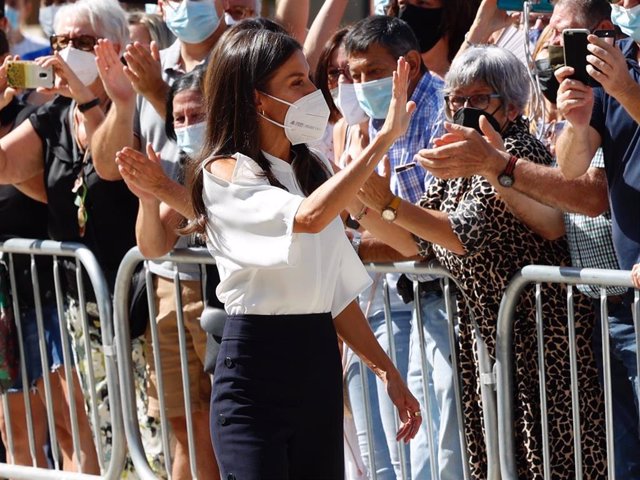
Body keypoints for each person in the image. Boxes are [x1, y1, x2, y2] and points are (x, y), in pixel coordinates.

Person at [356, 44, 607, 478]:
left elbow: (461, 233)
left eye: (478, 99)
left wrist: (390, 203)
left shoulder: (518, 151)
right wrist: (364, 203)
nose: (464, 109)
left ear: (510, 105)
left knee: (549, 463)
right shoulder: (461, 159)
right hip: (486, 347)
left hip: (543, 346)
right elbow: (418, 241)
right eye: (457, 100)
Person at [183, 28, 421, 479]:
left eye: (309, 78)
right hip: (255, 372)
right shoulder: (224, 172)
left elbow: (333, 293)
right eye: (297, 82)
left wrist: (386, 371)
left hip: (316, 369)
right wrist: (383, 140)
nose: (314, 92)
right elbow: (308, 217)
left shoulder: (310, 168)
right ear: (256, 99)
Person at [0, 0, 166, 476]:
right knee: (105, 433)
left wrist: (94, 99)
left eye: (83, 42)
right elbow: (6, 166)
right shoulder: (53, 114)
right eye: (60, 42)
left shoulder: (133, 101)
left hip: (139, 300)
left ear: (112, 47)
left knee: (153, 432)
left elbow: (110, 162)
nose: (67, 51)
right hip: (81, 308)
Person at [345, 15, 463, 480]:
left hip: (455, 296)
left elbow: (436, 233)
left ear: (410, 64)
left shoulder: (443, 111)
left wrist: (368, 218)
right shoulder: (376, 122)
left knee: (446, 446)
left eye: (372, 71)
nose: (361, 84)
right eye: (353, 75)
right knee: (417, 448)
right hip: (415, 294)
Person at [115, 64, 219, 480]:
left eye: (197, 115)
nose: (188, 124)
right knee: (183, 426)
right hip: (169, 297)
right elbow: (153, 244)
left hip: (218, 303)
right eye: (179, 118)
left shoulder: (236, 161)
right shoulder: (176, 164)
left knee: (216, 423)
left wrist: (164, 189)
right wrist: (146, 195)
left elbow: (219, 223)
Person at [0, 44, 98, 473]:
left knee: (69, 425)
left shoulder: (33, 120)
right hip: (5, 304)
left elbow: (53, 197)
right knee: (14, 432)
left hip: (49, 296)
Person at [555, 0, 640, 474]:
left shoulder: (620, 73)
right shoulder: (613, 56)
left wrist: (626, 89)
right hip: (625, 298)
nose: (625, 5)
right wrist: (576, 120)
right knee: (625, 459)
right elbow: (571, 167)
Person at [385, 0, 481, 79]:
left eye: (422, 3)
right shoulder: (389, 78)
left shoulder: (477, 75)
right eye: (403, 4)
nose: (407, 15)